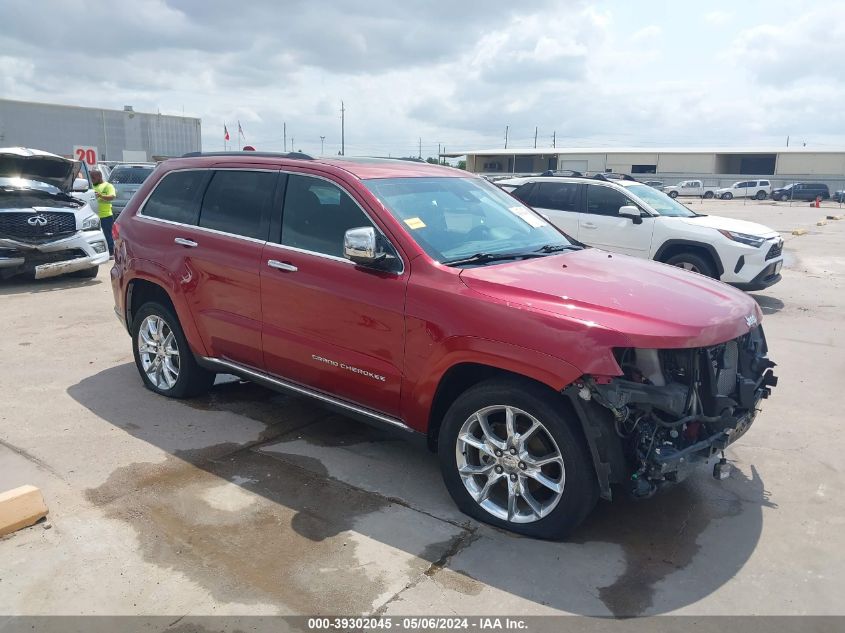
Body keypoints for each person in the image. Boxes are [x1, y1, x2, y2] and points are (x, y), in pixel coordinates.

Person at [91, 169, 116, 256]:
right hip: (93, 216)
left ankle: (111, 253)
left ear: (99, 176)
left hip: (106, 215)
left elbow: (112, 197)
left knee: (107, 235)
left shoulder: (108, 186)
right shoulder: (91, 186)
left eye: (93, 177)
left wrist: (101, 195)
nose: (92, 179)